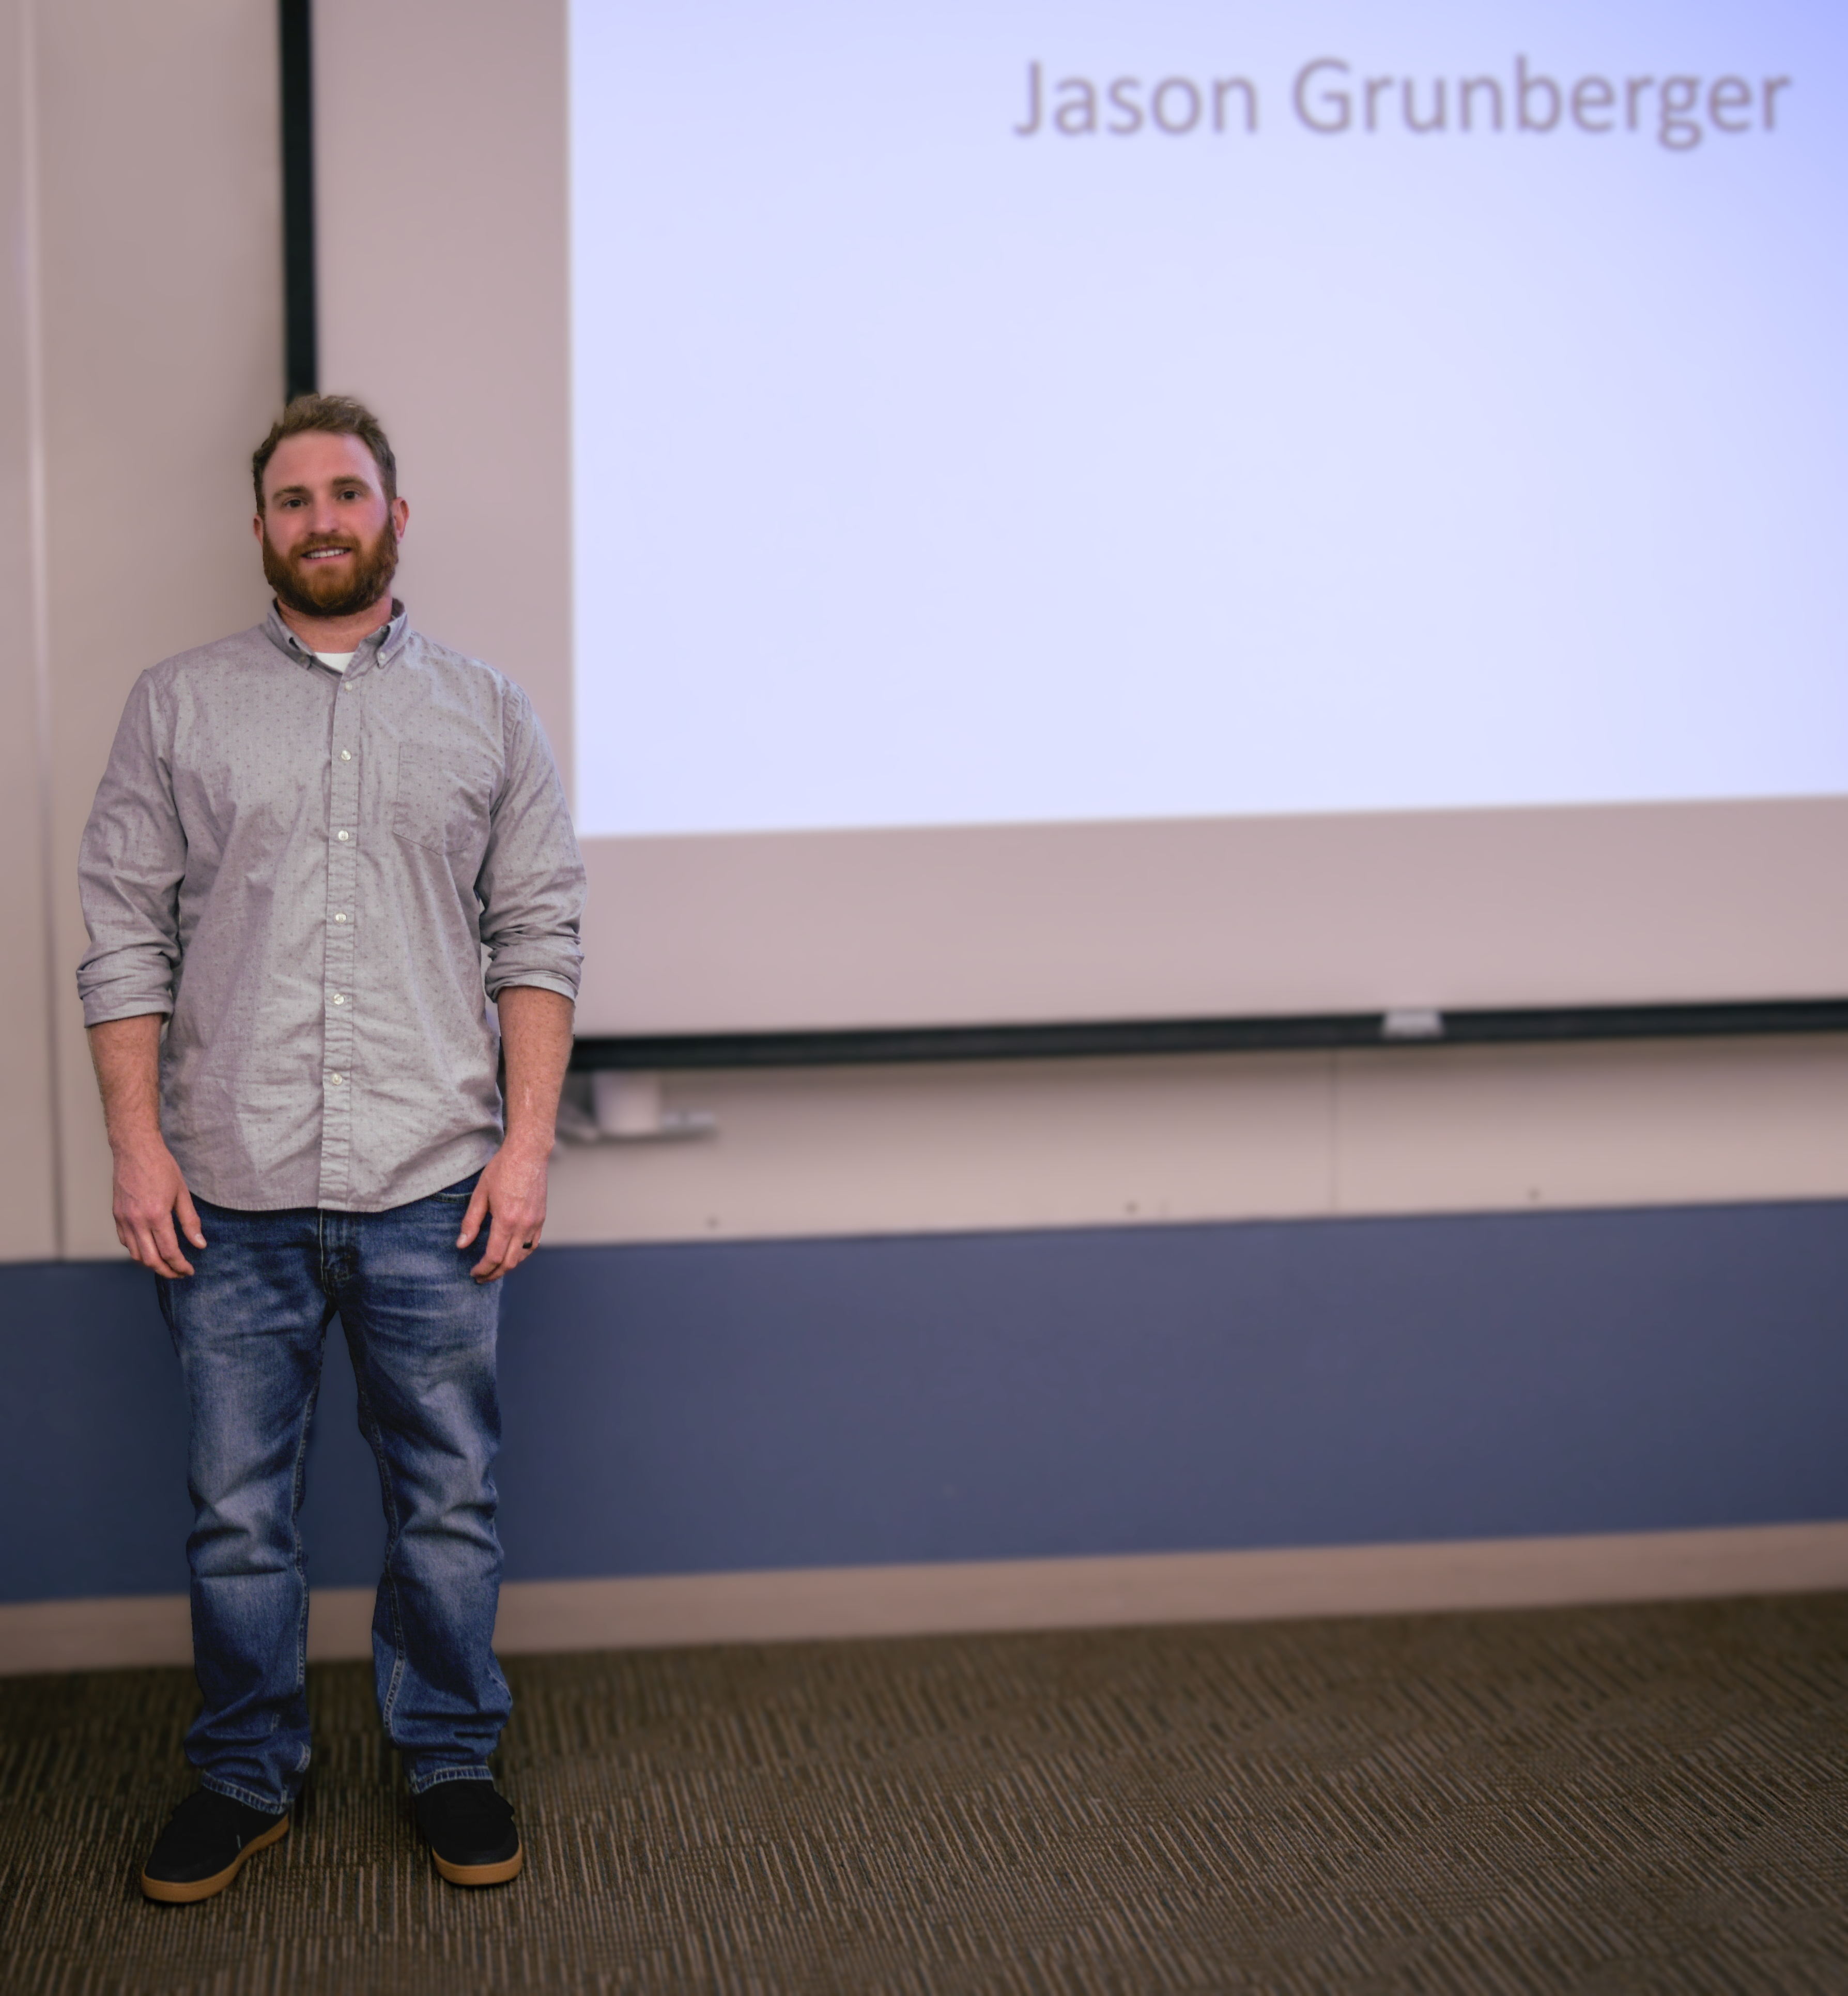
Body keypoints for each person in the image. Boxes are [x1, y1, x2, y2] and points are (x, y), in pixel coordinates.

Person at [76, 394, 585, 1902]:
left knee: (448, 1497)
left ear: (394, 517)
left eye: (347, 492)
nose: (322, 519)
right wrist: (135, 1147)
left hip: (437, 1182)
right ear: (260, 530)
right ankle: (245, 1771)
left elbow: (540, 934)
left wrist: (530, 1146)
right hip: (223, 1189)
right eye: (293, 499)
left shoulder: (491, 711)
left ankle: (446, 1756)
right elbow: (120, 934)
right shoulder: (176, 706)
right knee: (239, 1512)